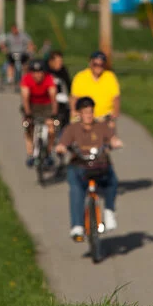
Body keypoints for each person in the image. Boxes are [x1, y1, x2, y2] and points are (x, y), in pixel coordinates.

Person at [55, 96, 123, 241]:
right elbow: (63, 143)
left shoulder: (101, 126)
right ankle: (77, 226)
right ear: (79, 114)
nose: (88, 115)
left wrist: (115, 142)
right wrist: (61, 147)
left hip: (100, 166)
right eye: (85, 112)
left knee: (112, 181)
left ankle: (109, 211)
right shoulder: (72, 129)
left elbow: (112, 138)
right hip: (79, 166)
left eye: (91, 112)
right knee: (76, 189)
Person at [20, 59, 60, 168]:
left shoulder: (49, 79)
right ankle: (30, 154)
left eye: (40, 72)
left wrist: (54, 114)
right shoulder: (26, 79)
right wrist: (28, 114)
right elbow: (25, 97)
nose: (37, 75)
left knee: (52, 129)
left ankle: (48, 153)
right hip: (31, 105)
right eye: (34, 72)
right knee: (28, 127)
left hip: (46, 106)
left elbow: (53, 97)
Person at [70, 51, 121, 124]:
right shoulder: (80, 77)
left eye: (101, 65)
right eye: (95, 64)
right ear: (90, 63)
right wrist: (74, 112)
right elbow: (74, 98)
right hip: (84, 118)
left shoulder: (110, 77)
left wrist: (114, 117)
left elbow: (116, 98)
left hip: (104, 118)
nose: (98, 67)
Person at [47, 50, 73, 129]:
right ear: (51, 61)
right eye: (57, 61)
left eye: (61, 61)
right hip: (47, 98)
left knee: (67, 110)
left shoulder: (63, 71)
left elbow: (68, 85)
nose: (60, 63)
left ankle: (65, 130)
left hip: (61, 98)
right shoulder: (45, 71)